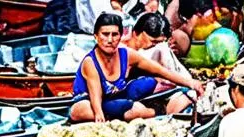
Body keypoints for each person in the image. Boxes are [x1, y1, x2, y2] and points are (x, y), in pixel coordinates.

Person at [70, 14, 205, 122]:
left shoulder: (126, 54)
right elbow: (95, 95)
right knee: (82, 110)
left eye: (115, 34)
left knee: (148, 83)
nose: (110, 40)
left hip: (114, 97)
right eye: (105, 34)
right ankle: (158, 111)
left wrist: (191, 83)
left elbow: (160, 71)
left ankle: (140, 110)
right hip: (89, 102)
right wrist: (100, 117)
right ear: (96, 36)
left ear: (120, 36)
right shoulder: (90, 62)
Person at [127, 12, 195, 113]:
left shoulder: (158, 48)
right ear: (136, 34)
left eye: (158, 42)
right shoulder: (123, 49)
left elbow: (162, 71)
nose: (154, 46)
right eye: (153, 41)